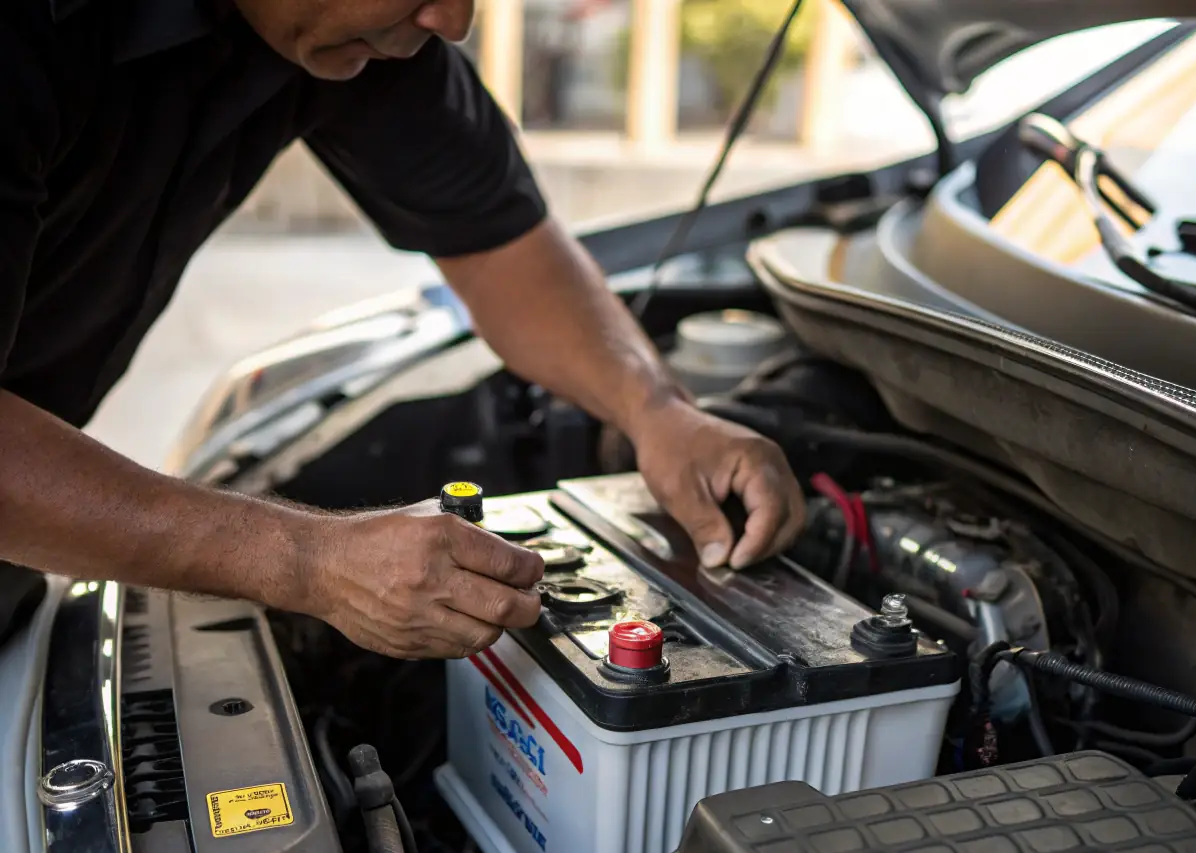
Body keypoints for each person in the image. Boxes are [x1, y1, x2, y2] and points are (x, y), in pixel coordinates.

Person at [0, 0, 806, 657]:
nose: (453, 20)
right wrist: (308, 559)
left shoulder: (354, 32)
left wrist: (655, 410)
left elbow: (502, 244)